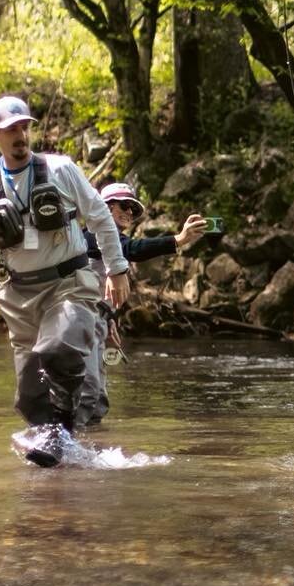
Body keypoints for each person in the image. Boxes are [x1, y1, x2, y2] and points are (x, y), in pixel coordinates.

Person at [0, 94, 130, 467]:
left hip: (70, 282)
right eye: (10, 130)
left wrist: (117, 269)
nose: (20, 136)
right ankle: (57, 461)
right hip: (17, 294)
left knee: (60, 347)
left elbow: (100, 216)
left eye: (24, 127)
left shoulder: (61, 169)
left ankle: (62, 431)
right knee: (30, 395)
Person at [74, 183, 207, 426]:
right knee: (87, 392)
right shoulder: (93, 234)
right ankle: (65, 449)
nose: (129, 213)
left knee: (99, 400)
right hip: (82, 319)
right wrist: (178, 239)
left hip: (100, 320)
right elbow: (131, 250)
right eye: (123, 206)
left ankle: (91, 454)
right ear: (105, 207)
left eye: (133, 210)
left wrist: (111, 318)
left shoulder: (112, 238)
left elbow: (107, 279)